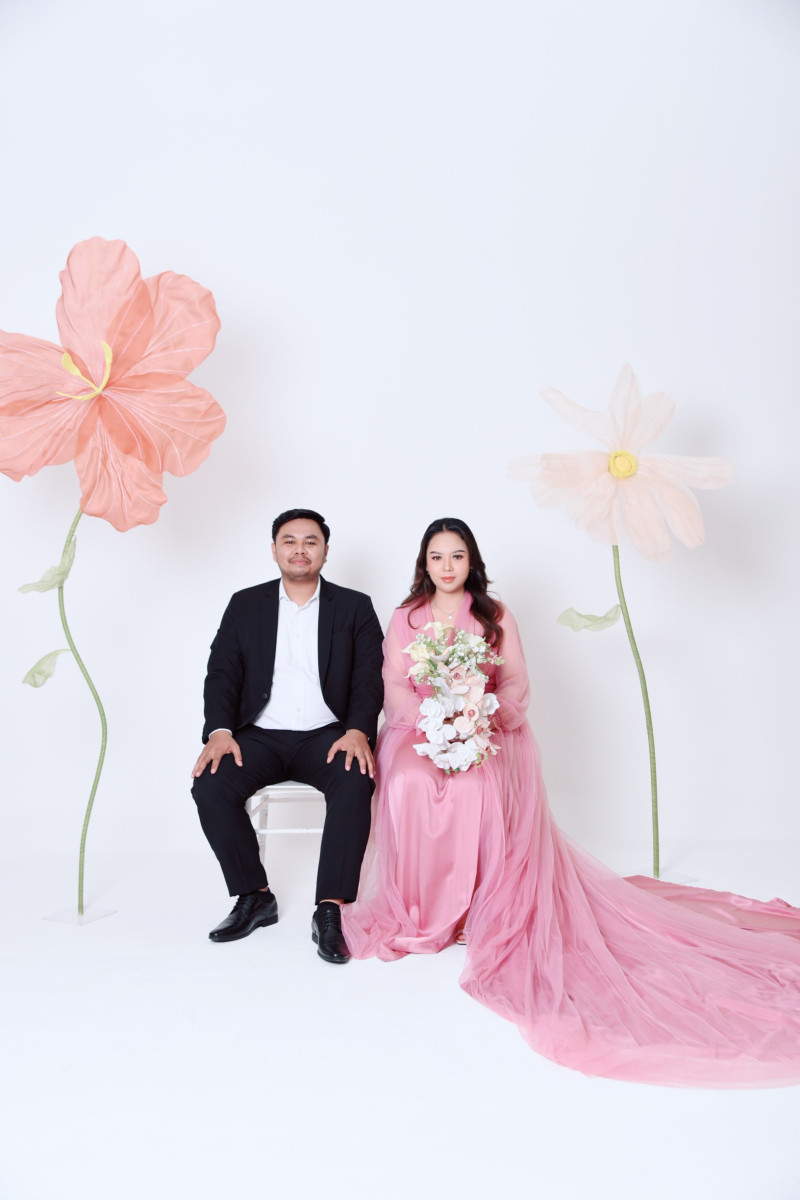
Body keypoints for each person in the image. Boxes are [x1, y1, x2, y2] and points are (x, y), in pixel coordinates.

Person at [343, 517, 800, 1086]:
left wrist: (476, 719)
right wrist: (432, 724)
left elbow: (514, 684)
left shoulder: (495, 615)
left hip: (485, 728)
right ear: (424, 563)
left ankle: (474, 907)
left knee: (478, 784)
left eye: (457, 555)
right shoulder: (406, 617)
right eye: (437, 557)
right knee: (410, 782)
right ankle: (423, 908)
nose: (447, 566)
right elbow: (394, 685)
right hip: (419, 731)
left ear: (471, 561)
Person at [192, 508, 383, 964]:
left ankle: (330, 908)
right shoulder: (245, 604)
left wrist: (358, 730)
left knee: (354, 781)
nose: (300, 549)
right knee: (211, 784)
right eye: (290, 541)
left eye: (310, 541)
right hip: (259, 735)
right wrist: (220, 731)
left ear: (325, 551)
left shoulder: (354, 606)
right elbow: (222, 673)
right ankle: (255, 896)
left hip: (328, 735)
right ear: (275, 549)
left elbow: (369, 677)